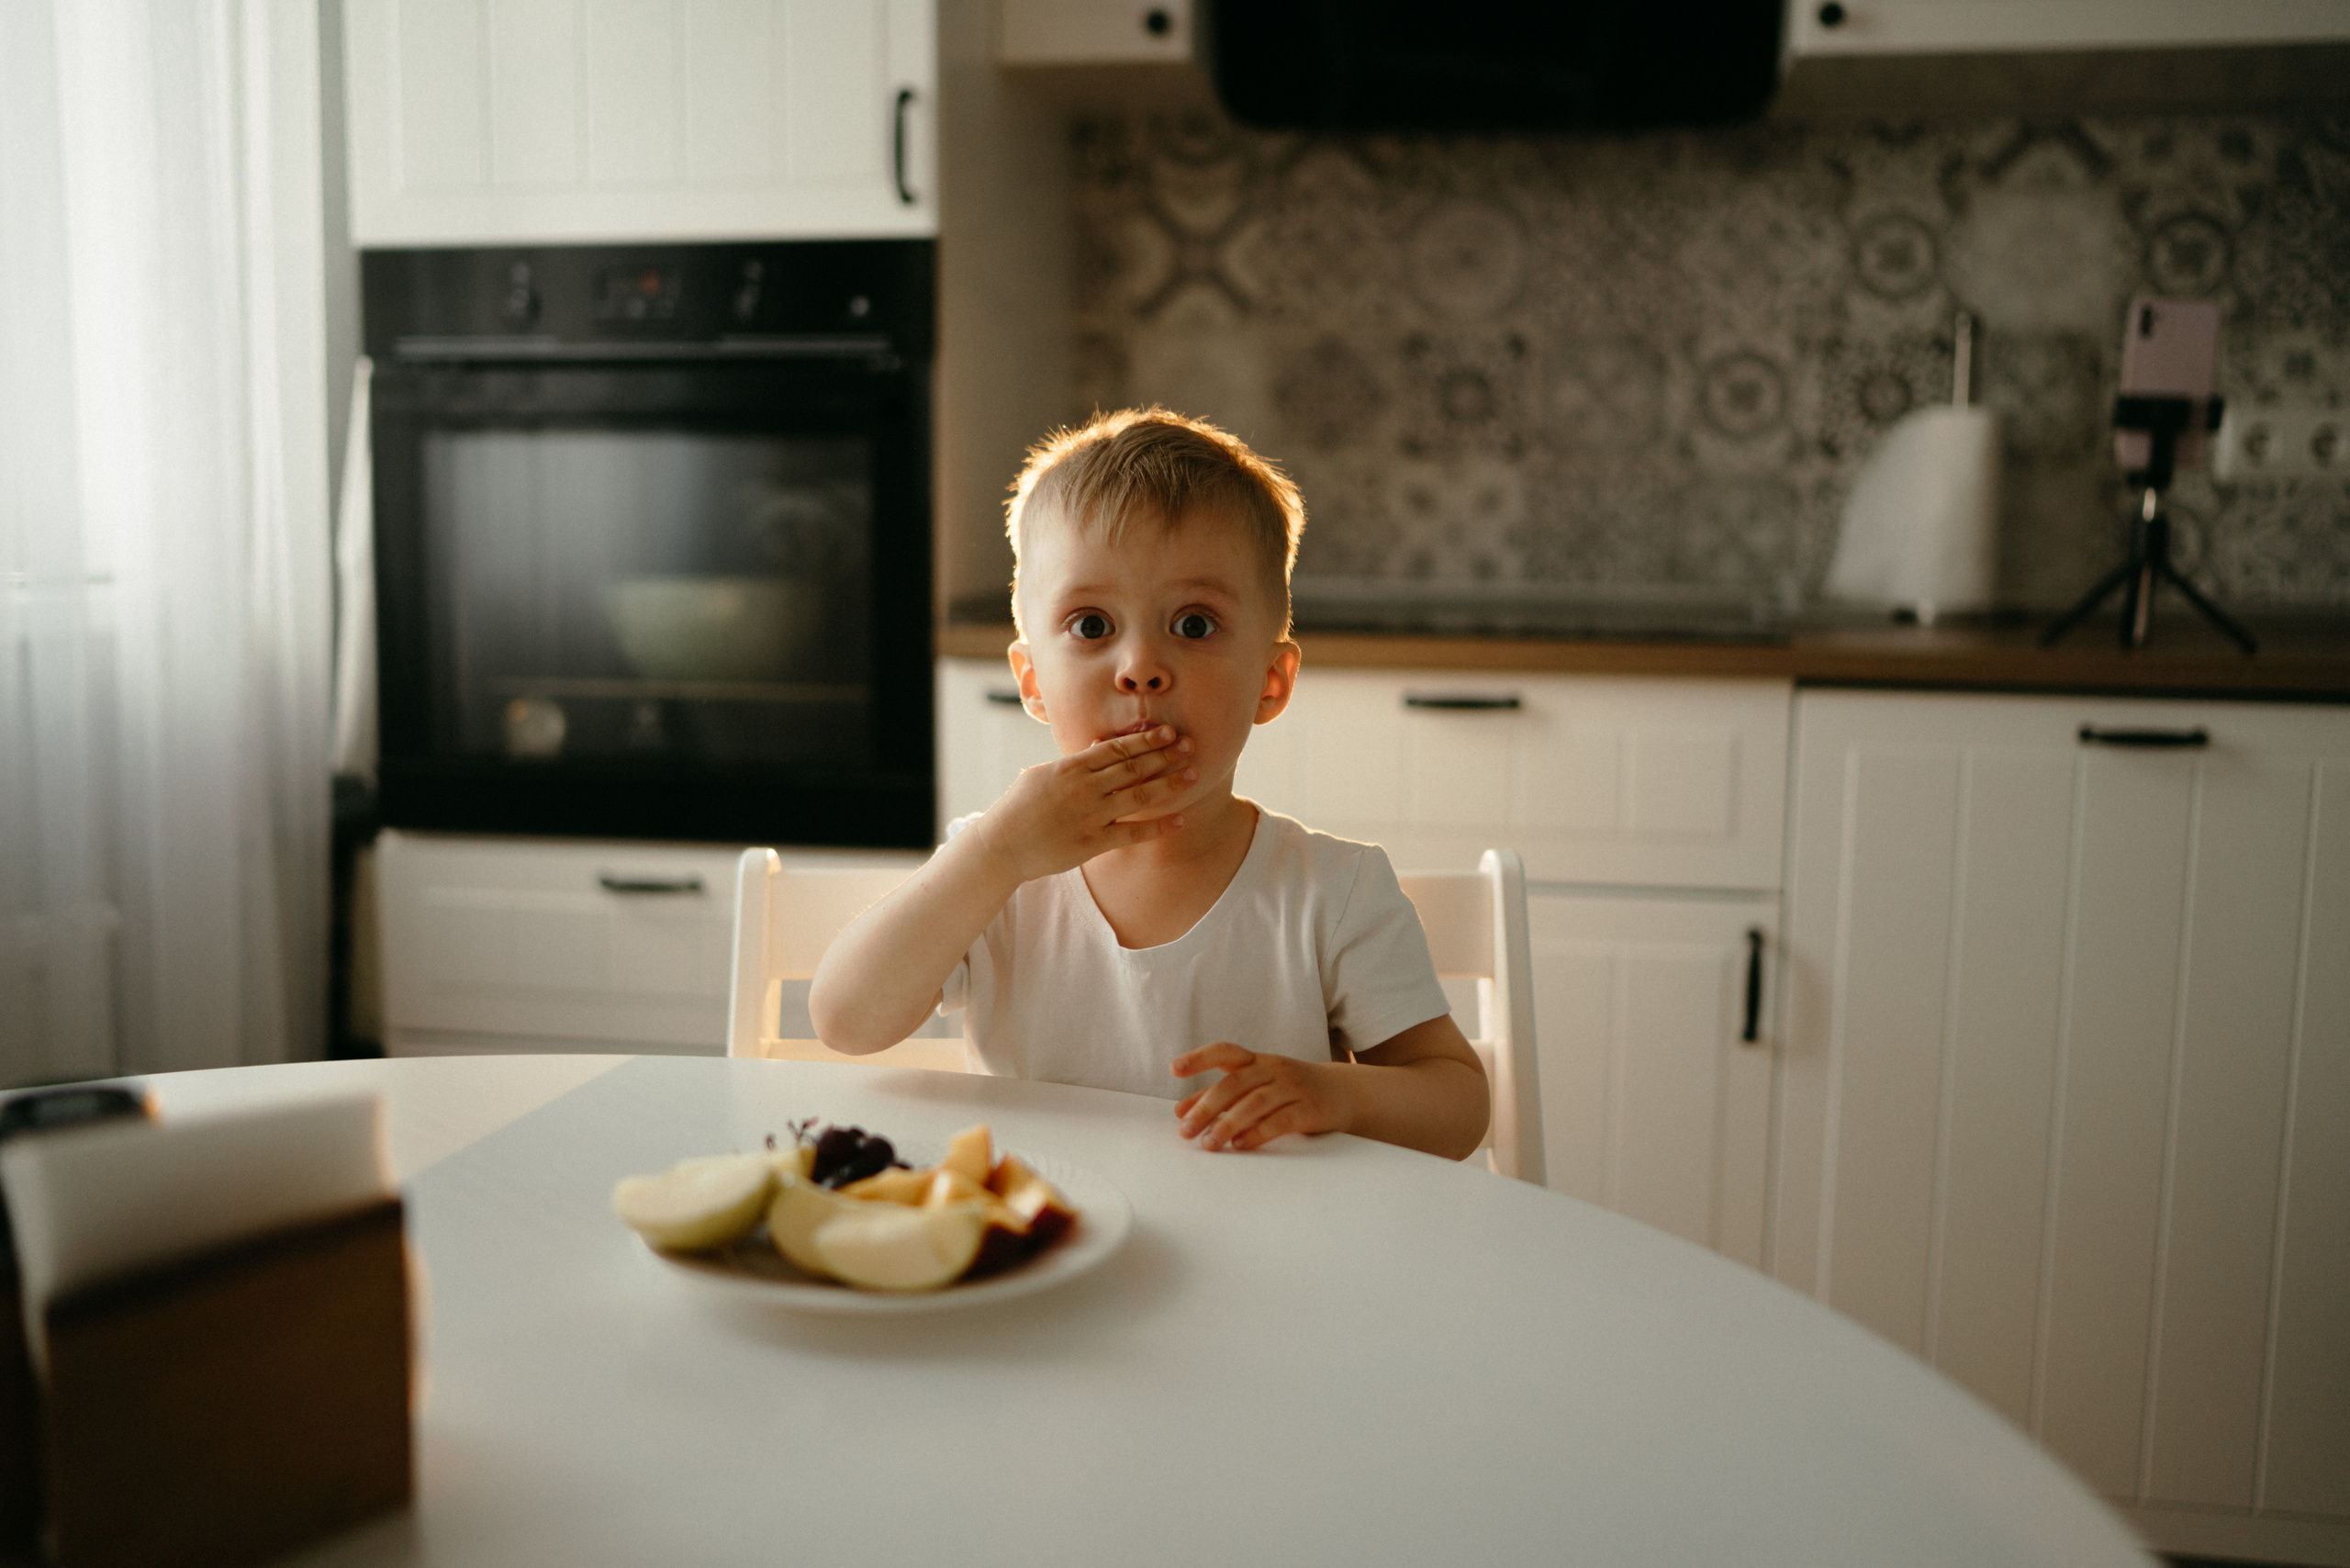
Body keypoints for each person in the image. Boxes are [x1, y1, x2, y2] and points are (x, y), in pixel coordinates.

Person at [809, 408, 1489, 1159]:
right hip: (1049, 1243)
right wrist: (996, 854)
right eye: (1092, 626)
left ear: (1270, 681)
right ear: (1032, 682)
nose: (1139, 666)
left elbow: (1457, 1105)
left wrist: (1339, 1093)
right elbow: (845, 1021)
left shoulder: (1334, 892)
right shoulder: (996, 872)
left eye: (1194, 625)